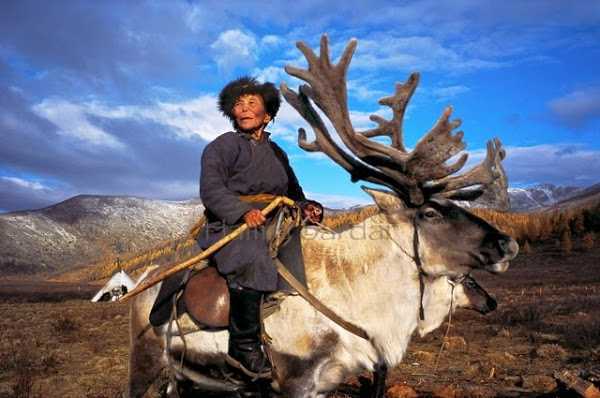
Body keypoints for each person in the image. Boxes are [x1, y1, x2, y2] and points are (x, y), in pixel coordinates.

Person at [197, 76, 323, 375]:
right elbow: (211, 189)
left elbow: (293, 192)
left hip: (275, 220)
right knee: (251, 253)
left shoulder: (278, 152)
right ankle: (243, 345)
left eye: (251, 103)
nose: (243, 108)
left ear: (267, 115)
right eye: (238, 104)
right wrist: (241, 212)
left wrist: (307, 207)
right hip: (231, 226)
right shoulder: (223, 146)